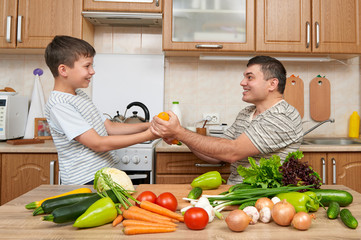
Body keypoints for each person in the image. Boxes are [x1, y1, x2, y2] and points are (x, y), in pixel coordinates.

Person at [151, 56, 303, 184]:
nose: (242, 82)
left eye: (249, 77)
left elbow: (232, 152)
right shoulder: (246, 113)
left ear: (272, 84)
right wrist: (180, 137)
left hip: (264, 200)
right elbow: (216, 156)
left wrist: (180, 132)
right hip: (235, 193)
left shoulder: (282, 116)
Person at [44, 35, 157, 185]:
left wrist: (149, 125)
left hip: (101, 176)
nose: (92, 71)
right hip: (85, 181)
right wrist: (149, 135)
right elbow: (98, 143)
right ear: (64, 70)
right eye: (87, 66)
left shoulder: (79, 95)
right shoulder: (60, 105)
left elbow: (109, 127)